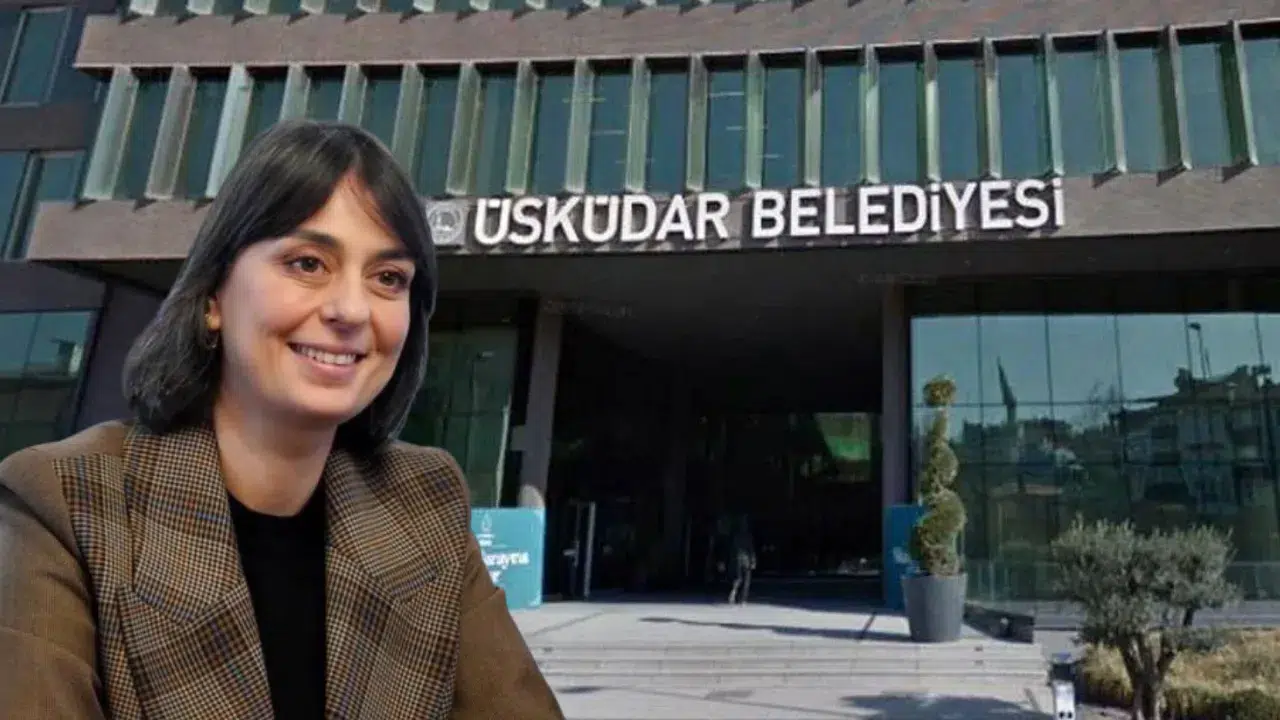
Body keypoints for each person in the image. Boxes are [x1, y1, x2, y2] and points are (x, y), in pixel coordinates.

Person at [0, 121, 563, 719]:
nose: (351, 310)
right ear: (214, 296)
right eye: (308, 263)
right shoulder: (64, 502)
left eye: (388, 278)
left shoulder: (425, 500)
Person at [727, 514, 756, 605]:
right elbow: (751, 549)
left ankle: (734, 590)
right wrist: (753, 561)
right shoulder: (748, 536)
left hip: (737, 559)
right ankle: (743, 599)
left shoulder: (735, 536)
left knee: (738, 578)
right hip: (746, 560)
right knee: (746, 580)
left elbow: (732, 549)